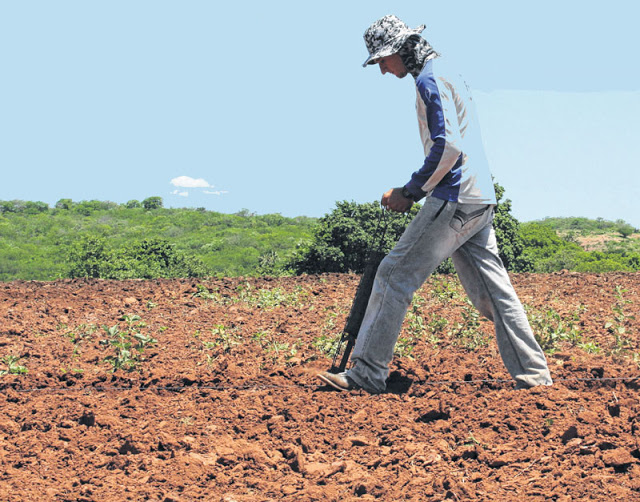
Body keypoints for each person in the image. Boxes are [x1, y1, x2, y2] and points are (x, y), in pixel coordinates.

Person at [318, 14, 552, 394]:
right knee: (493, 293)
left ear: (399, 50)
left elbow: (448, 146)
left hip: (454, 197)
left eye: (381, 61)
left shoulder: (430, 79)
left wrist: (410, 192)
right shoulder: (447, 71)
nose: (382, 70)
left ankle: (366, 374)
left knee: (394, 275)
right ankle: (535, 377)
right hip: (480, 197)